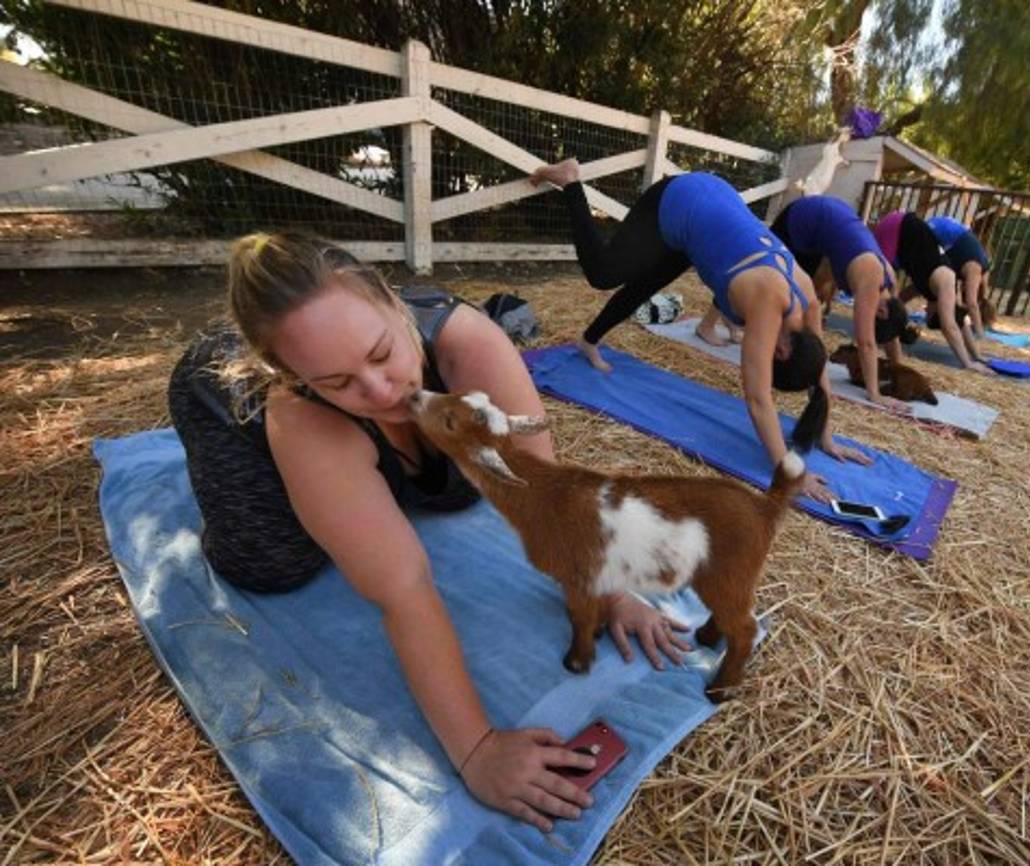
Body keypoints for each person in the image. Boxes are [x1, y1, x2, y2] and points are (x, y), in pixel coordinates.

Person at [166, 232, 694, 832]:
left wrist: (611, 594)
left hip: (360, 397)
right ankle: (293, 446)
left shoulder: (471, 344)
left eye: (380, 352)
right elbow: (404, 590)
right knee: (273, 567)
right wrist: (476, 750)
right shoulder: (299, 412)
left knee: (457, 486)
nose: (378, 389)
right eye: (339, 381)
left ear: (395, 302)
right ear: (297, 376)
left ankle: (371, 459)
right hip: (223, 398)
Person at [529, 159, 870, 502]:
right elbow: (758, 398)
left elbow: (818, 366)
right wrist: (789, 472)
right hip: (680, 200)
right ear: (779, 352)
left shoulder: (807, 295)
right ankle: (571, 180)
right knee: (602, 274)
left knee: (644, 285)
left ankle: (588, 341)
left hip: (712, 206)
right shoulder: (771, 300)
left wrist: (825, 433)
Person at [770, 195, 912, 413]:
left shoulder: (889, 282)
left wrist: (898, 369)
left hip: (827, 218)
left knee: (799, 294)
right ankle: (710, 324)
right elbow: (866, 342)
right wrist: (874, 393)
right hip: (806, 217)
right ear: (881, 311)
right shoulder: (871, 280)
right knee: (773, 279)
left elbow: (890, 332)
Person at [871, 211, 992, 373]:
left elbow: (960, 322)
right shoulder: (946, 282)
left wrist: (977, 356)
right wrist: (968, 363)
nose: (925, 310)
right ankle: (870, 341)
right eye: (929, 313)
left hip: (899, 232)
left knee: (885, 298)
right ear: (939, 311)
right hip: (897, 226)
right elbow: (950, 327)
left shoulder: (933, 288)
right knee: (877, 290)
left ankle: (876, 341)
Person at [927, 215, 994, 340]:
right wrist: (980, 334)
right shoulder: (976, 269)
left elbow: (958, 295)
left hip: (945, 228)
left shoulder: (976, 268)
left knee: (927, 284)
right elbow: (972, 303)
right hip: (942, 229)